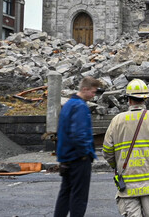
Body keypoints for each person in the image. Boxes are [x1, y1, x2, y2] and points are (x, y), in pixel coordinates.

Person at [103, 79, 149, 217]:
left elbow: (107, 151)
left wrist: (117, 167)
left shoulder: (116, 121)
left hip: (127, 186)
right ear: (145, 99)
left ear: (128, 100)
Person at [54, 76, 104, 217]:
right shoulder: (80, 107)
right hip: (79, 159)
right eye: (93, 92)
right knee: (79, 197)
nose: (94, 95)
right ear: (85, 89)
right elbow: (79, 135)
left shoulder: (68, 105)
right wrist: (86, 153)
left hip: (66, 158)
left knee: (65, 194)